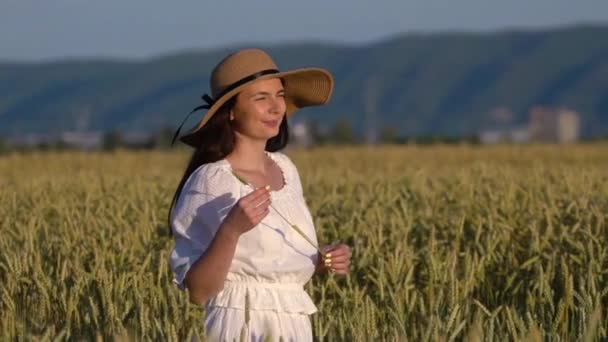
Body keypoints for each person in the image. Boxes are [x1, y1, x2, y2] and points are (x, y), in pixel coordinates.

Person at [167, 48, 353, 341]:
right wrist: (231, 230)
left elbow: (269, 263)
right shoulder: (211, 181)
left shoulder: (286, 169)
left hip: (294, 325)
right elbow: (199, 291)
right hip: (240, 324)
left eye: (279, 95)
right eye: (261, 98)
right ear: (230, 111)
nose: (276, 108)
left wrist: (322, 260)